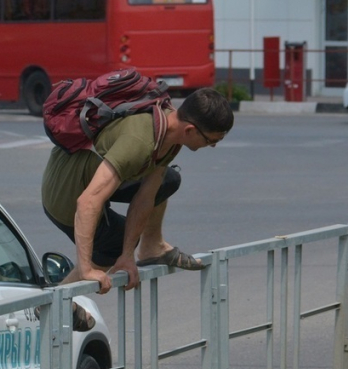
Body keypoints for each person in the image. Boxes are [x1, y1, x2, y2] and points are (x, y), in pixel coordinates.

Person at [41, 87, 234, 314]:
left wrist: (127, 256)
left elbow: (146, 196)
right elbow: (87, 202)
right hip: (65, 190)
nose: (213, 146)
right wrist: (86, 268)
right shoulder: (139, 142)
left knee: (168, 180)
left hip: (98, 171)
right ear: (190, 129)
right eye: (212, 139)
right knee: (114, 241)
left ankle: (152, 246)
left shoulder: (171, 130)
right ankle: (58, 304)